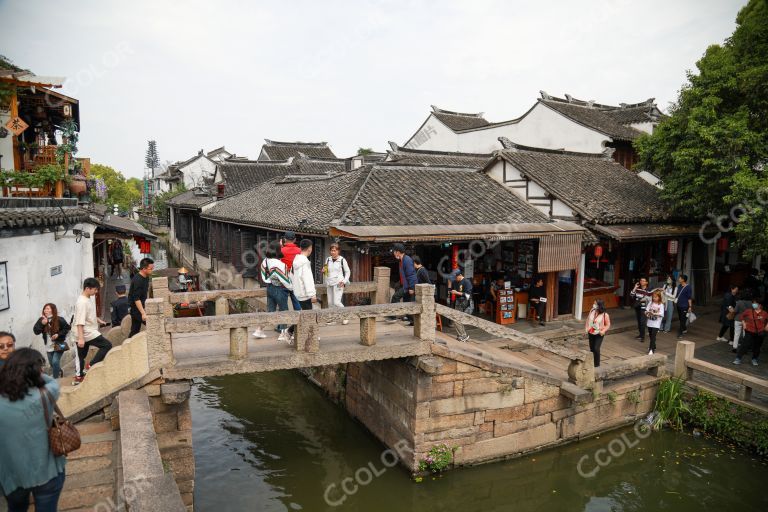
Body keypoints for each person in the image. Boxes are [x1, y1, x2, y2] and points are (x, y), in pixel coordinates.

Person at [0, 348, 67, 512]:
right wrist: (34, 373)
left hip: (12, 474)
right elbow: (52, 382)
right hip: (48, 471)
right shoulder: (46, 394)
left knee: (16, 508)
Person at [73, 278, 112, 385]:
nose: (96, 292)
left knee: (81, 356)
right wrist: (81, 338)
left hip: (88, 332)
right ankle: (88, 368)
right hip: (85, 333)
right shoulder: (82, 302)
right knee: (107, 345)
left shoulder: (87, 298)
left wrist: (98, 320)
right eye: (95, 290)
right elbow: (79, 322)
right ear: (87, 288)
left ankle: (80, 376)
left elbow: (88, 315)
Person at [261, 241, 293, 343]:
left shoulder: (265, 261)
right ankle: (283, 333)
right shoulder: (279, 264)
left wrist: (270, 280)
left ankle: (259, 329)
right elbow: (284, 279)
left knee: (270, 311)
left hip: (269, 287)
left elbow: (264, 275)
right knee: (284, 311)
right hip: (279, 288)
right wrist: (291, 287)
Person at [33, 304, 71, 379]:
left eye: (48, 309)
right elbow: (36, 331)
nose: (45, 310)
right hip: (48, 345)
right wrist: (42, 324)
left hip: (59, 344)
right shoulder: (42, 320)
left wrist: (58, 334)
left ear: (53, 310)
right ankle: (59, 371)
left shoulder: (59, 319)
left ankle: (55, 379)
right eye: (45, 309)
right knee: (52, 364)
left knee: (55, 361)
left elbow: (67, 328)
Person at [733, 297, 767, 366]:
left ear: (760, 305)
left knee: (757, 347)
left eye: (755, 303)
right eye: (753, 303)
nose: (753, 304)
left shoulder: (764, 313)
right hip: (749, 331)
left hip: (759, 332)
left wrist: (767, 326)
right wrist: (744, 323)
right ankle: (738, 358)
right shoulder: (749, 311)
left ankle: (754, 359)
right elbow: (741, 316)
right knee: (744, 345)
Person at [324, 243, 351, 325]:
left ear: (338, 251)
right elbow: (325, 270)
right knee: (330, 303)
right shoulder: (328, 259)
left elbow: (348, 272)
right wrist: (324, 271)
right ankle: (333, 319)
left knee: (336, 302)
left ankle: (346, 316)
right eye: (331, 250)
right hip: (329, 283)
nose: (333, 252)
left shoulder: (342, 260)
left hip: (338, 283)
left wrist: (344, 281)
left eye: (334, 251)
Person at [128, 257, 155, 338]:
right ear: (144, 269)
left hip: (141, 306)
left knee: (135, 330)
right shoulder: (138, 280)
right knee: (153, 325)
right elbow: (136, 299)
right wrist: (143, 313)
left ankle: (129, 344)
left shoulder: (146, 277)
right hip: (136, 308)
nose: (152, 270)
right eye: (150, 269)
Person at [393, 243, 417, 326]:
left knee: (395, 297)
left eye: (394, 251)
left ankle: (392, 316)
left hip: (408, 286)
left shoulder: (407, 260)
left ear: (398, 252)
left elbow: (411, 275)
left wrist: (411, 288)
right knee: (407, 303)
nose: (393, 253)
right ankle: (412, 321)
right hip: (405, 285)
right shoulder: (402, 260)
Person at [280, 231, 303, 313]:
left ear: (284, 239)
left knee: (283, 305)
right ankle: (298, 322)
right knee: (297, 303)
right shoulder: (299, 251)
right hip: (296, 280)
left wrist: (281, 246)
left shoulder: (281, 250)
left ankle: (283, 324)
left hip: (284, 280)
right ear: (295, 239)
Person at [585, 299, 611, 368]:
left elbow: (608, 324)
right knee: (592, 348)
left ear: (599, 305)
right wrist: (587, 327)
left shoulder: (605, 315)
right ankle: (592, 363)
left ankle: (597, 365)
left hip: (599, 333)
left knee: (596, 348)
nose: (594, 305)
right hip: (591, 332)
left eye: (595, 304)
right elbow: (588, 319)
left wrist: (603, 330)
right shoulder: (592, 310)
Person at [450, 270, 473, 342]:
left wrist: (457, 293)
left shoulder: (466, 282)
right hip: (457, 302)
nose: (455, 279)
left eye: (456, 277)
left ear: (460, 275)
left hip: (465, 302)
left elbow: (468, 295)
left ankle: (463, 335)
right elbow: (451, 290)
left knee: (457, 319)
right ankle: (462, 335)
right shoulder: (454, 282)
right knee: (456, 319)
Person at [645, 291, 665, 355]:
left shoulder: (661, 305)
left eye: (656, 297)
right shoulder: (651, 303)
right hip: (650, 321)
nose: (654, 298)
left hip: (656, 323)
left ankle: (651, 349)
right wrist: (647, 313)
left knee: (653, 335)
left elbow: (662, 314)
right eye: (653, 297)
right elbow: (646, 310)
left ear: (659, 297)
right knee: (651, 335)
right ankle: (654, 346)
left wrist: (654, 313)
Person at [676, 274, 693, 339]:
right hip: (679, 305)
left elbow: (689, 298)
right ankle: (684, 328)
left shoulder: (688, 287)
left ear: (683, 279)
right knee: (681, 318)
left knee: (683, 319)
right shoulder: (679, 285)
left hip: (685, 306)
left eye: (680, 278)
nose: (679, 279)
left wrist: (690, 306)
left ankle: (680, 333)